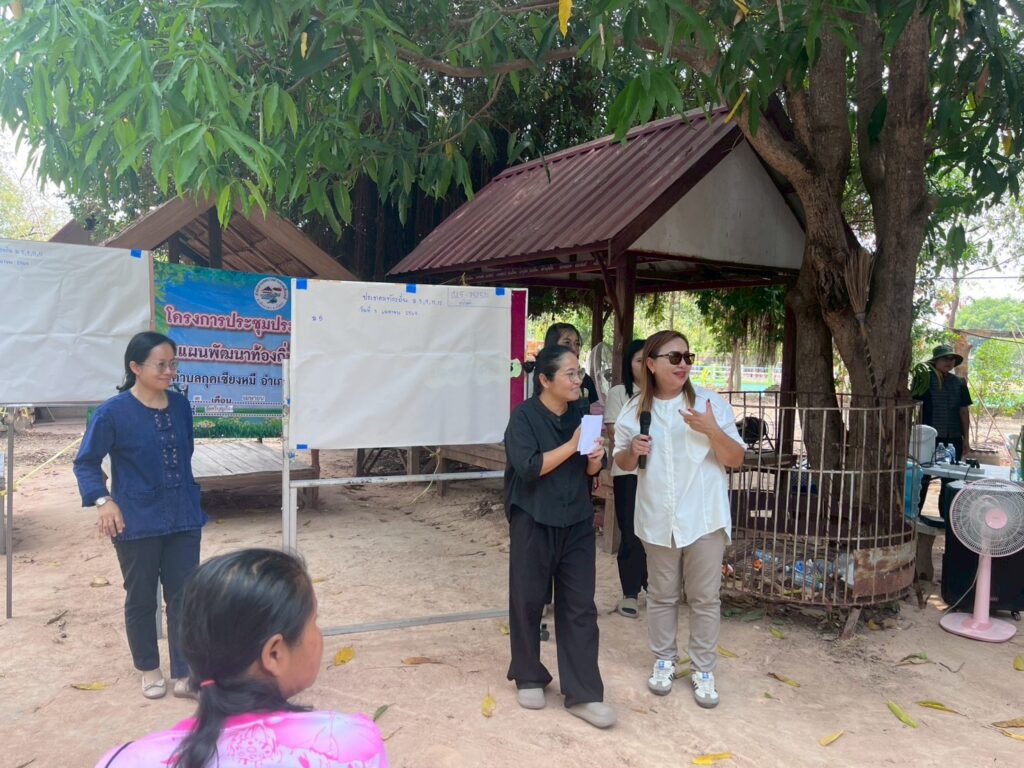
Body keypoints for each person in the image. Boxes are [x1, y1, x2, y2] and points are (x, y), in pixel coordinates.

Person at [93, 549, 389, 768]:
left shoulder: (122, 761)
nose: (319, 635)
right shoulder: (348, 745)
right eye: (314, 622)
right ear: (274, 653)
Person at [614, 331, 744, 709]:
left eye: (688, 356)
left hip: (704, 517)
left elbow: (735, 459)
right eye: (674, 358)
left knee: (704, 598)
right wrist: (631, 450)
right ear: (651, 365)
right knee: (661, 595)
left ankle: (703, 668)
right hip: (658, 516)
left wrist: (712, 430)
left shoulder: (710, 404)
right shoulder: (634, 410)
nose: (683, 364)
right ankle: (664, 659)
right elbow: (621, 463)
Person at [74, 331, 206, 700]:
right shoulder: (112, 413)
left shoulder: (180, 406)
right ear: (135, 367)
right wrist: (103, 500)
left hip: (183, 514)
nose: (169, 371)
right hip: (135, 519)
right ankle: (149, 668)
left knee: (184, 596)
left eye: (173, 364)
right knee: (142, 597)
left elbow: (185, 453)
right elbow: (86, 463)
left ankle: (185, 673)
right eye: (160, 364)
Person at [503, 345, 616, 729]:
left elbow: (590, 471)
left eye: (579, 372)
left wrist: (595, 459)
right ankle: (528, 675)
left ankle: (584, 693)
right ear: (545, 380)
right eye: (570, 373)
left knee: (580, 605)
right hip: (533, 518)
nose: (578, 379)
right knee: (528, 599)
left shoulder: (584, 415)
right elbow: (529, 468)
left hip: (577, 520)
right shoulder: (523, 417)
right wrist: (572, 445)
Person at [912, 343, 973, 582]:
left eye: (952, 360)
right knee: (922, 479)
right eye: (945, 359)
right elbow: (915, 407)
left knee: (950, 483)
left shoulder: (958, 384)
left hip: (953, 438)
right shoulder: (924, 381)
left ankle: (949, 525)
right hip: (929, 437)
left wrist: (966, 441)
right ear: (935, 361)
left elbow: (964, 412)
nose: (949, 363)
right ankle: (913, 522)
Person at [603, 339, 648, 618]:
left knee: (656, 532)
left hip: (657, 475)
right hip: (627, 473)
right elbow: (613, 432)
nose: (645, 366)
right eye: (639, 360)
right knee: (630, 532)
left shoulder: (666, 394)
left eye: (650, 359)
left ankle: (653, 586)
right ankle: (630, 593)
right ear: (629, 364)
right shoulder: (620, 393)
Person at [543, 323, 600, 416]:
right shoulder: (544, 377)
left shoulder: (586, 380)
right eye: (567, 343)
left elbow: (594, 412)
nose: (573, 349)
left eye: (577, 344)